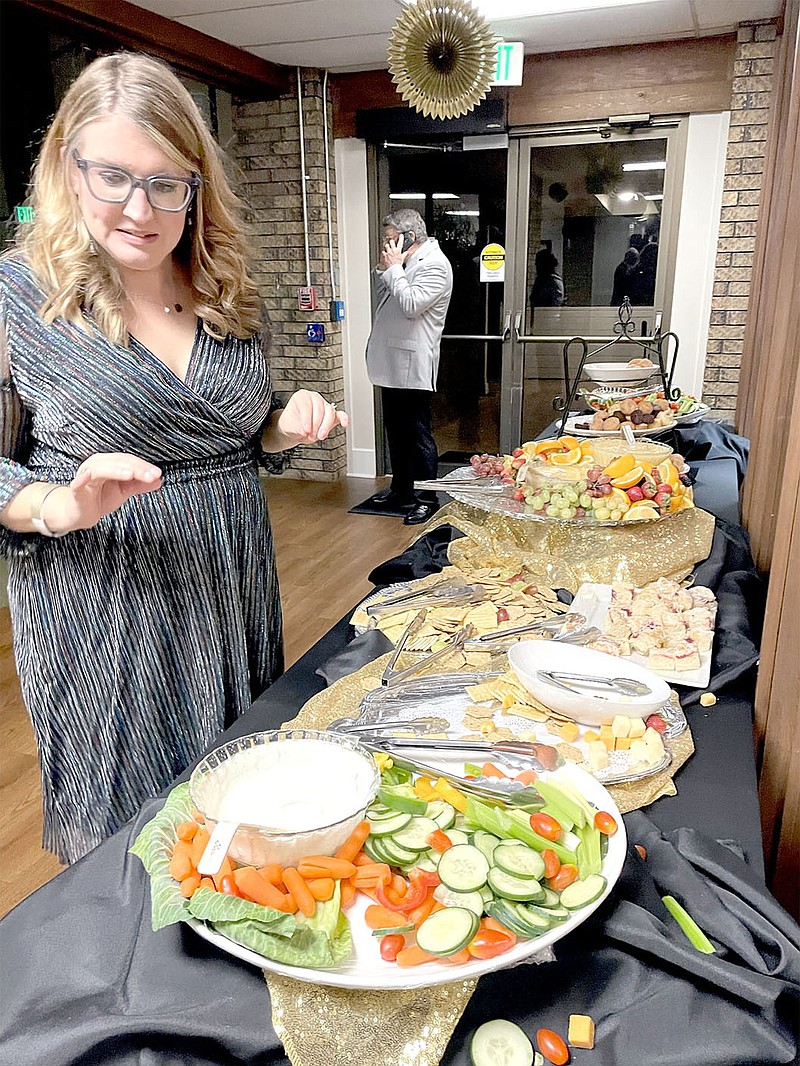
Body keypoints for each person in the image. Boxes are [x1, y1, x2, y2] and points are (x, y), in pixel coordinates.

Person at [0, 52, 347, 865]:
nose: (139, 208)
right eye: (113, 176)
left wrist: (277, 427)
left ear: (196, 186)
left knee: (241, 814)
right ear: (66, 166)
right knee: (135, 839)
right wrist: (57, 506)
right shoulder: (17, 296)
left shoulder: (223, 284)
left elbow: (230, 431)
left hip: (229, 583)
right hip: (107, 602)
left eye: (167, 183)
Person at [365, 209, 453, 525]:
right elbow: (384, 300)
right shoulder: (404, 264)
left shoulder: (435, 265)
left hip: (412, 364)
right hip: (391, 362)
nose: (386, 246)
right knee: (397, 432)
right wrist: (385, 270)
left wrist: (393, 269)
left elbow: (412, 305)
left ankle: (426, 497)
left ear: (409, 237)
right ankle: (401, 490)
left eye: (390, 240)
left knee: (417, 434)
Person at [529, 248, 565, 312]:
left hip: (547, 318)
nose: (535, 265)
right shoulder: (540, 280)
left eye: (537, 263)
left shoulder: (554, 282)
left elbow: (554, 307)